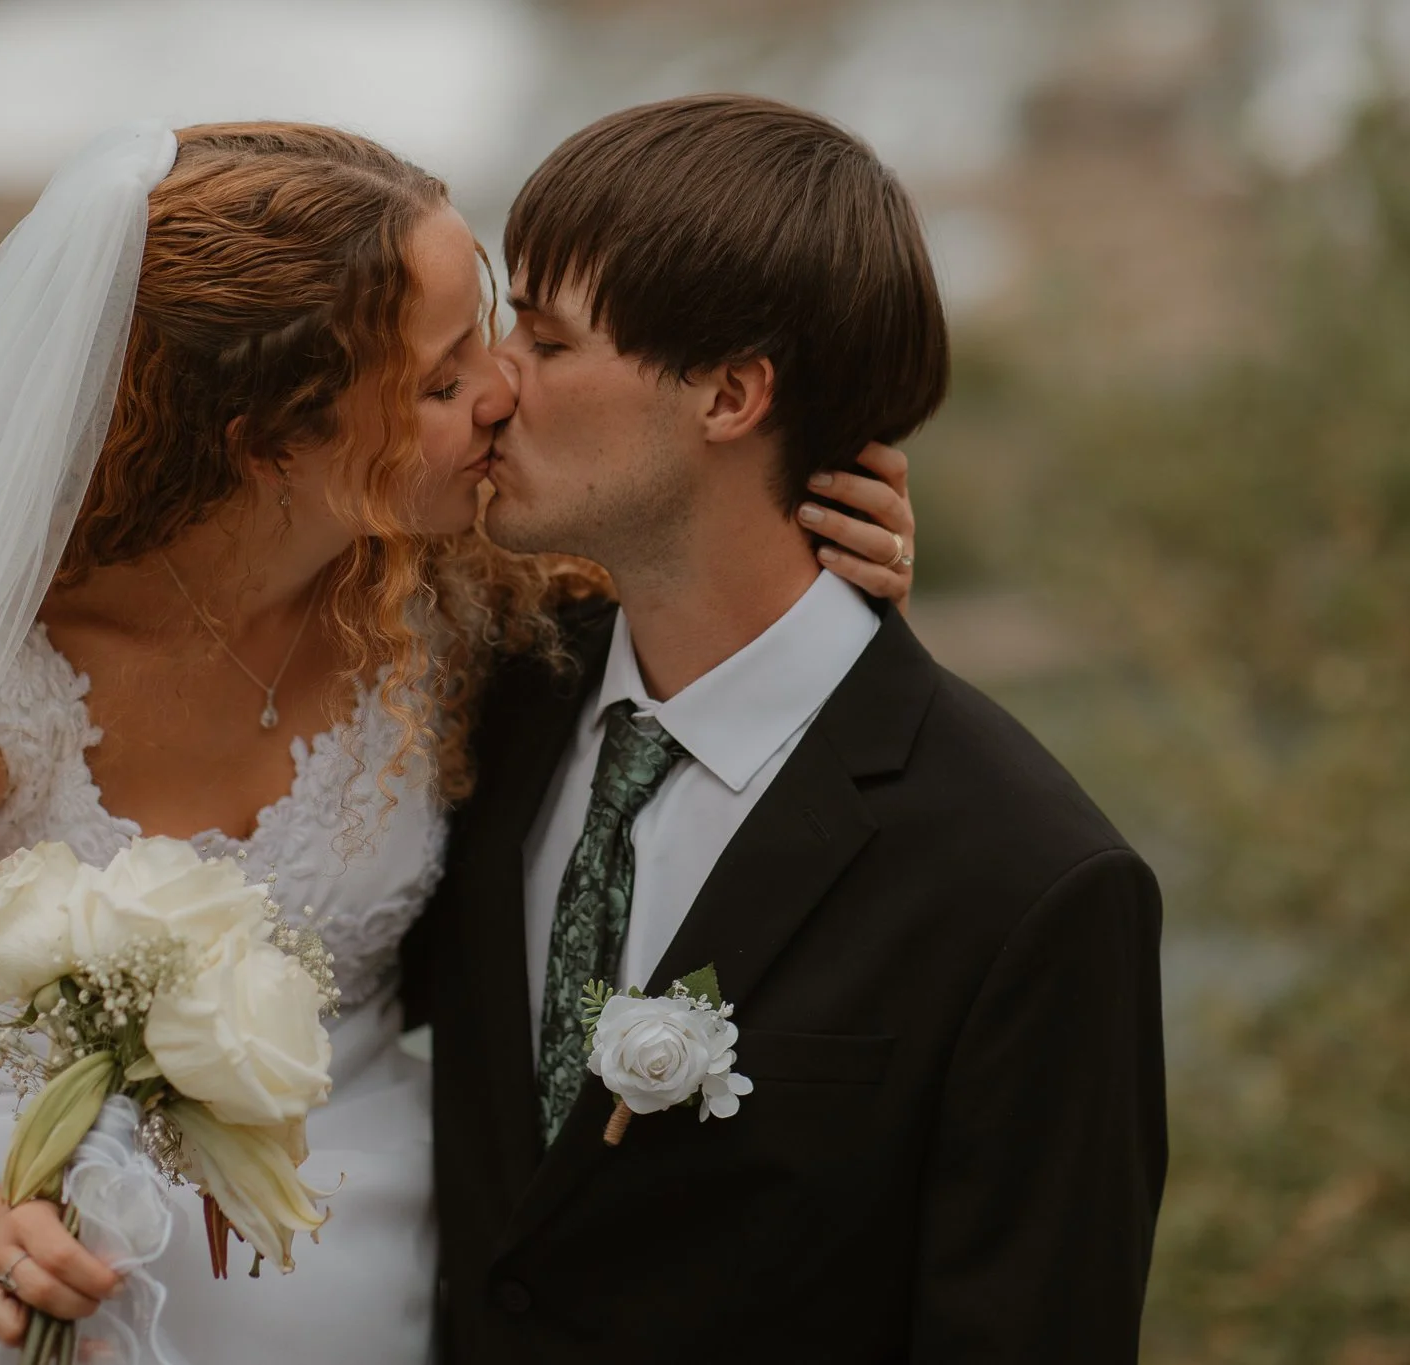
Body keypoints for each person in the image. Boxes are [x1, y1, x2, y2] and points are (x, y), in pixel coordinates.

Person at [0, 120, 915, 1365]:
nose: (498, 391)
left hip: (356, 1188)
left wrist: (825, 567)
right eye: (436, 378)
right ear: (266, 440)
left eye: (494, 330)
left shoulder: (478, 591)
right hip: (0, 1176)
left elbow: (711, 630)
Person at [421, 95, 1168, 1363]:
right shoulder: (484, 709)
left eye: (545, 341)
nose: (493, 387)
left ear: (729, 394)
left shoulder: (1030, 884)